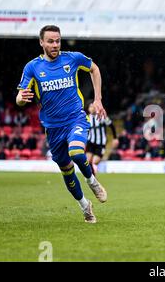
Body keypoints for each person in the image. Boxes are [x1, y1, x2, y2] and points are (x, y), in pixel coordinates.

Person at [16, 25, 107, 223]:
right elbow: (20, 98)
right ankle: (85, 206)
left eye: (57, 40)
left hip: (75, 118)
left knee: (76, 152)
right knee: (66, 170)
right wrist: (21, 98)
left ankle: (92, 181)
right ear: (41, 43)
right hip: (53, 127)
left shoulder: (72, 58)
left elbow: (94, 68)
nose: (55, 44)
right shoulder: (32, 67)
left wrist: (98, 99)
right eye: (50, 41)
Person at [86, 102, 118, 174]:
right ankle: (91, 178)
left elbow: (111, 126)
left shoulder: (102, 116)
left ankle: (93, 178)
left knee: (94, 162)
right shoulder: (87, 118)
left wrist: (115, 138)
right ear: (88, 109)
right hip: (90, 143)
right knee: (87, 162)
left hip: (100, 144)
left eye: (93, 106)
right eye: (90, 107)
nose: (92, 108)